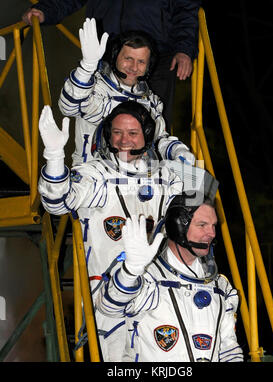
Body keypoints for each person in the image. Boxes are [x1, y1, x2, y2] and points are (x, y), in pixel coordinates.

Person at [37, 101, 183, 361]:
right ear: (108, 136)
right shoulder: (96, 173)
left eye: (133, 133)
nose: (124, 140)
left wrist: (177, 151)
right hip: (108, 295)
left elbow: (203, 201)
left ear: (147, 135)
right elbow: (56, 203)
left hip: (159, 290)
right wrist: (55, 157)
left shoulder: (167, 177)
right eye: (117, 133)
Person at [96, 189, 244, 362]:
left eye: (213, 226)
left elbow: (228, 349)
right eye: (202, 225)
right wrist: (131, 270)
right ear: (178, 227)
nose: (212, 233)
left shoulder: (220, 287)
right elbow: (108, 308)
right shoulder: (147, 279)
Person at [22, 0, 202, 130]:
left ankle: (152, 177)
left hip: (156, 59)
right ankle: (97, 176)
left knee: (152, 125)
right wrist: (45, 10)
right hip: (106, 52)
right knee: (98, 121)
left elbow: (186, 8)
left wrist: (184, 49)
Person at [57, 18, 195, 166]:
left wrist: (178, 151)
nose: (134, 67)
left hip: (137, 176)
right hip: (93, 174)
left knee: (201, 183)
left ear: (148, 66)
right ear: (115, 56)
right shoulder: (92, 86)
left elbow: (158, 138)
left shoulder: (151, 101)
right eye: (128, 58)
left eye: (141, 62)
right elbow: (68, 107)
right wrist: (86, 68)